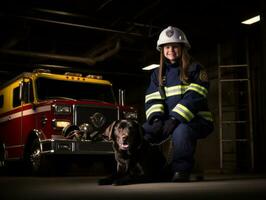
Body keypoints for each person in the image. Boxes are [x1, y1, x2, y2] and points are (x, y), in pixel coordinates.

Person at [142, 26, 214, 182]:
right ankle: (154, 169)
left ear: (183, 48)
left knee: (181, 131)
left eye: (175, 46)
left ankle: (181, 170)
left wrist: (175, 118)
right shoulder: (157, 73)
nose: (171, 50)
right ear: (162, 50)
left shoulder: (196, 69)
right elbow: (153, 98)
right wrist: (156, 119)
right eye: (167, 47)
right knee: (142, 133)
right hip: (167, 120)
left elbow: (195, 97)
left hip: (196, 120)